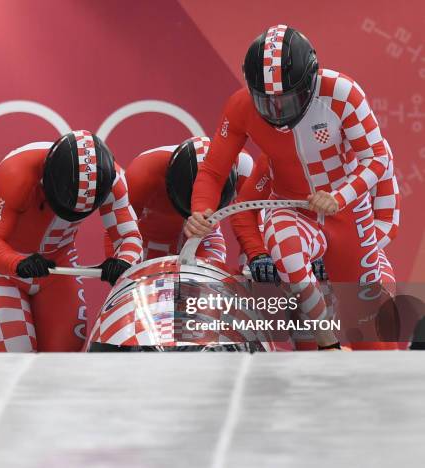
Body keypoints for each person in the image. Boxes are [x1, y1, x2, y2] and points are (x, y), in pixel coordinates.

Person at [185, 25, 391, 348]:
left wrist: (340, 196)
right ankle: (327, 343)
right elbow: (213, 170)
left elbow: (377, 158)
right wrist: (200, 211)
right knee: (285, 247)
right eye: (265, 103)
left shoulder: (344, 94)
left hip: (349, 216)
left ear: (310, 83)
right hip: (293, 210)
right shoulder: (240, 108)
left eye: (287, 101)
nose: (277, 113)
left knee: (369, 333)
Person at [0, 130, 143, 352]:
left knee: (63, 361)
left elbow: (129, 236)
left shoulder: (114, 179)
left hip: (58, 268)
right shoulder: (17, 171)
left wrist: (122, 262)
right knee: (14, 361)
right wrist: (17, 263)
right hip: (4, 273)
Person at [231, 142, 400, 350]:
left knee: (378, 304)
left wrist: (338, 254)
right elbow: (244, 208)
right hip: (306, 255)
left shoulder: (374, 152)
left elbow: (387, 223)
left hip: (360, 252)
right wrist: (259, 254)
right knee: (305, 310)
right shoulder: (278, 152)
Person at [109, 136, 252, 267]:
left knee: (206, 288)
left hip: (202, 237)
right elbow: (117, 230)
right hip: (147, 243)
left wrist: (254, 259)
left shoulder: (243, 165)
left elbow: (252, 219)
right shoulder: (142, 173)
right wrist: (120, 267)